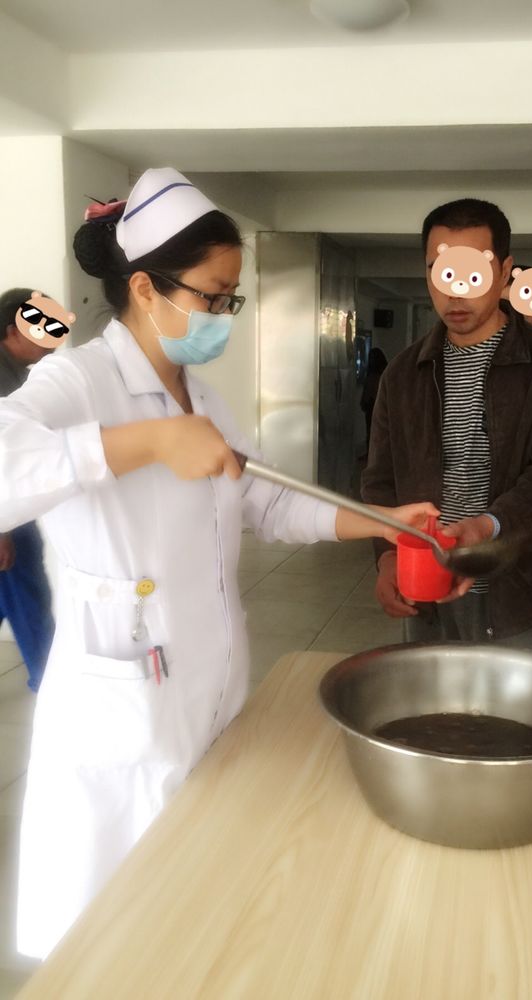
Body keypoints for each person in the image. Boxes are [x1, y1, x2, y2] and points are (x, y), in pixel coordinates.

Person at [0, 168, 437, 960]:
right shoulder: (79, 380)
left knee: (197, 900)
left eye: (232, 298)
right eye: (212, 295)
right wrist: (144, 443)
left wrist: (382, 520)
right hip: (122, 700)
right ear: (145, 288)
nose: (222, 315)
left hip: (209, 677)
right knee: (118, 925)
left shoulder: (203, 399)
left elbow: (268, 503)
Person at [361, 198, 532, 655]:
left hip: (522, 592)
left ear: (504, 273)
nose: (456, 292)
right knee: (431, 700)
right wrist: (388, 558)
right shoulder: (402, 374)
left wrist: (486, 527)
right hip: (427, 589)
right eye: (441, 271)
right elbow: (380, 480)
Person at [0, 288, 56, 692]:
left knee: (18, 594)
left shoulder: (21, 373)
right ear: (10, 331)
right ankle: (50, 683)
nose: (51, 338)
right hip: (8, 515)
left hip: (16, 505)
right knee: (29, 599)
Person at [360, 346, 387, 453]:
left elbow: (368, 393)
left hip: (374, 407)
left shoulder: (375, 375)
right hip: (375, 407)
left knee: (373, 434)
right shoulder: (384, 374)